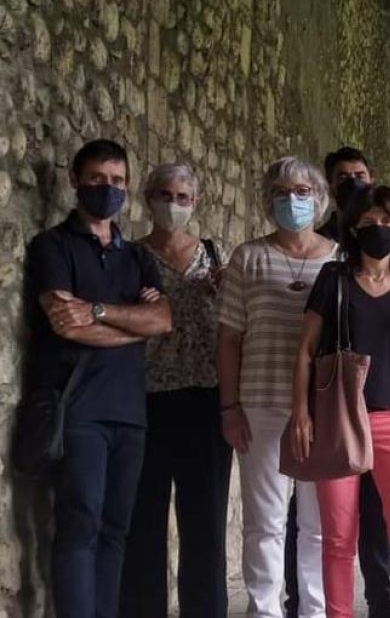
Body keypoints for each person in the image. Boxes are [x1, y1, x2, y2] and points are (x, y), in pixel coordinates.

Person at [26, 139, 173, 617]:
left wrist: (97, 311)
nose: (106, 189)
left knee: (115, 530)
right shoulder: (53, 246)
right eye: (96, 179)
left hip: (130, 412)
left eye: (116, 182)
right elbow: (63, 322)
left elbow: (163, 321)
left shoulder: (138, 258)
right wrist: (133, 324)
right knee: (80, 524)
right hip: (79, 409)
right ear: (74, 179)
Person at [289, 184, 390, 618]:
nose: (378, 229)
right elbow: (306, 350)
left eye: (387, 222)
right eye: (368, 223)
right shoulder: (332, 279)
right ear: (353, 229)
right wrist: (301, 412)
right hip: (339, 418)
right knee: (338, 537)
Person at [218, 157, 338, 618]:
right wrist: (229, 406)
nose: (293, 200)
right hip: (261, 404)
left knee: (317, 524)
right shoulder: (248, 258)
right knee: (265, 522)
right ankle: (264, 610)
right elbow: (229, 338)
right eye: (283, 192)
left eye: (303, 191)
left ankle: (313, 610)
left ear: (319, 198)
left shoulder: (337, 259)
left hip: (321, 408)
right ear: (268, 200)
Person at [282, 145, 390, 618]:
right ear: (331, 186)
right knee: (318, 518)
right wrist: (303, 409)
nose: (354, 181)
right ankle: (305, 600)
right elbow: (308, 343)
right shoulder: (329, 251)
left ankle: (380, 595)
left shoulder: (384, 242)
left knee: (378, 513)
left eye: (361, 174)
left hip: (386, 404)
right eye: (344, 177)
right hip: (334, 403)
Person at [120, 163, 231, 617]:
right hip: (145, 398)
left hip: (206, 399)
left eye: (184, 197)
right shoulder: (130, 255)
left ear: (196, 202)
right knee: (142, 521)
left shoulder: (212, 252)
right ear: (148, 198)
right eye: (165, 194)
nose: (174, 204)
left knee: (204, 522)